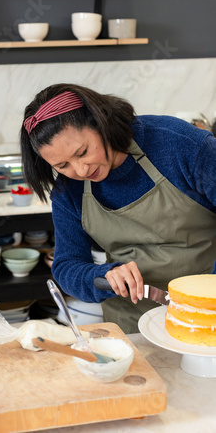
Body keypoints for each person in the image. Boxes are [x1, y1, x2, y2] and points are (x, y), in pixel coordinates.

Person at [20, 83, 216, 333]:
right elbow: (67, 265)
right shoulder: (69, 189)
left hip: (209, 311)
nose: (81, 171)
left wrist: (210, 295)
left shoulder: (179, 145)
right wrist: (104, 275)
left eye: (83, 152)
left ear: (102, 124)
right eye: (62, 165)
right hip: (131, 322)